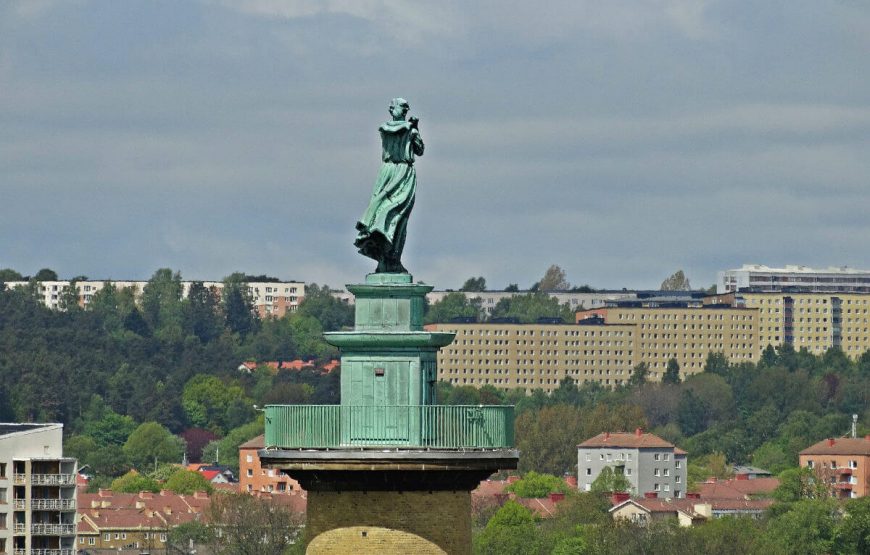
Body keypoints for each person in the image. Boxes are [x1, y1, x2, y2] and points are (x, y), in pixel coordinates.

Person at [354, 98, 424, 274]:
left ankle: (388, 260)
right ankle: (391, 260)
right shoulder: (409, 130)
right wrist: (415, 129)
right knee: (398, 218)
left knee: (391, 215)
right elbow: (420, 150)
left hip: (387, 172)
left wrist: (412, 129)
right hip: (402, 172)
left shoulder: (385, 128)